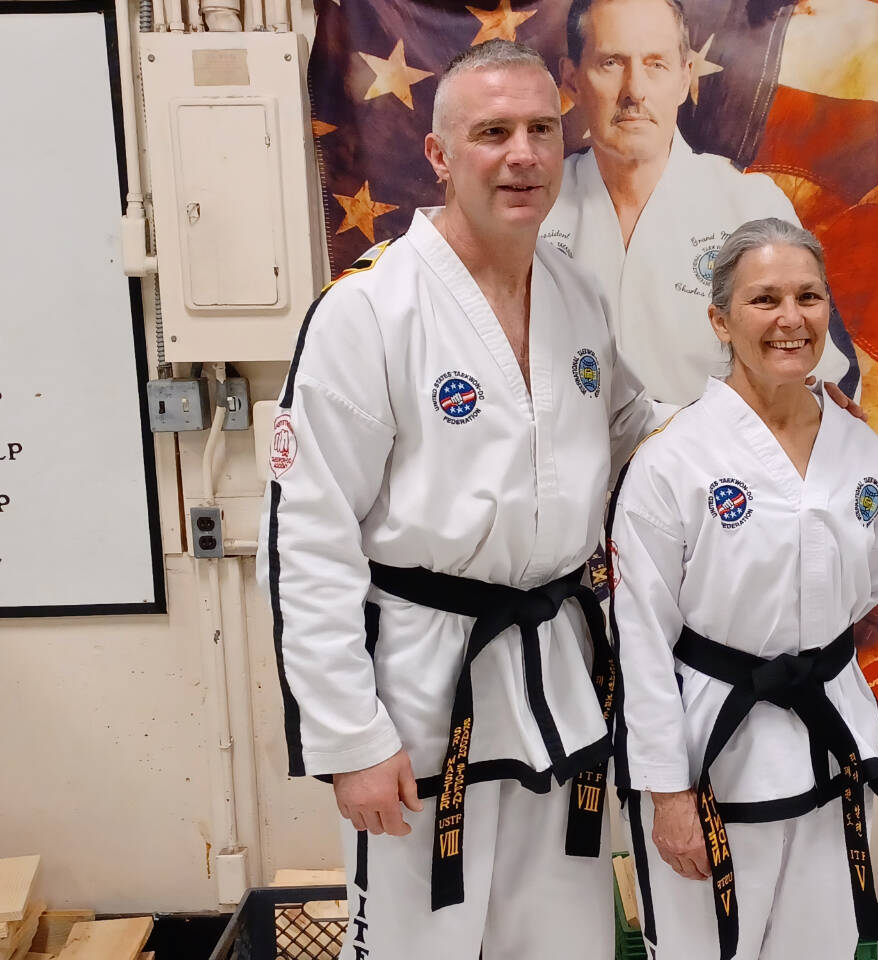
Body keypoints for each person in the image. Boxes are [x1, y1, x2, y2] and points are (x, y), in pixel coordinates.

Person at [259, 40, 660, 960]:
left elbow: (635, 432)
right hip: (415, 698)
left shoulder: (573, 288)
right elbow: (306, 541)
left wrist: (754, 423)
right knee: (412, 948)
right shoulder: (369, 311)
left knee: (562, 943)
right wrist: (349, 737)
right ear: (440, 157)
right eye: (491, 132)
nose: (521, 153)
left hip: (554, 680)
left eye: (540, 130)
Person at [607, 218, 878, 960]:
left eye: (809, 296)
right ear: (720, 319)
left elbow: (876, 571)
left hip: (825, 735)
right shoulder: (673, 459)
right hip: (712, 745)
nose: (790, 319)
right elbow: (640, 635)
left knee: (821, 947)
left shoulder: (858, 445)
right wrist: (667, 793)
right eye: (764, 299)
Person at [542, 0, 860, 406]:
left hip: (714, 464)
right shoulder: (537, 209)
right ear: (571, 80)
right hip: (572, 463)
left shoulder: (751, 209)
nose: (634, 92)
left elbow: (824, 386)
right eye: (611, 63)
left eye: (656, 64)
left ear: (683, 77)